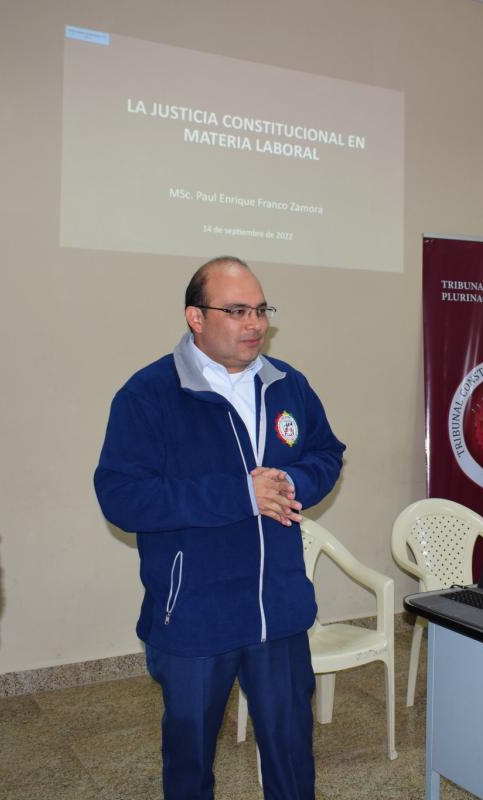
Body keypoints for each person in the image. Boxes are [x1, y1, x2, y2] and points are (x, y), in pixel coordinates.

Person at [94, 256, 344, 800]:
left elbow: (327, 452)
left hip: (279, 613)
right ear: (195, 317)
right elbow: (121, 496)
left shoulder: (287, 384)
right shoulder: (149, 394)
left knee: (292, 759)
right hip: (194, 618)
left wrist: (291, 481)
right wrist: (239, 495)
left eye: (261, 310)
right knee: (189, 764)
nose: (255, 324)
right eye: (236, 311)